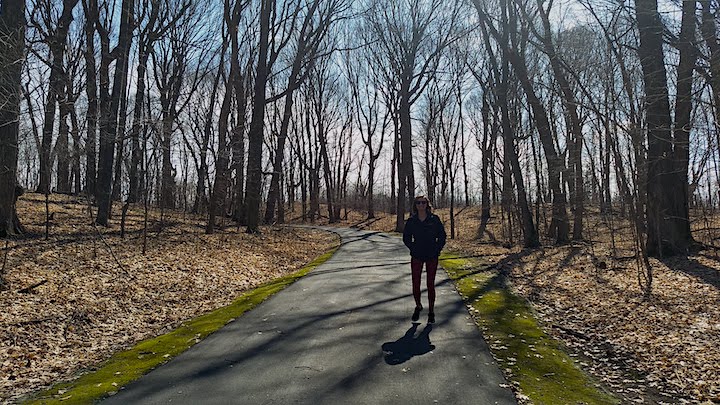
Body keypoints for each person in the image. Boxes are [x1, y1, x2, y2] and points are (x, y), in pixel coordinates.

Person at [402, 195, 446, 324]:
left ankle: (431, 311)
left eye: (423, 203)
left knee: (430, 284)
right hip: (417, 255)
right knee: (416, 283)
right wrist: (413, 248)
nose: (421, 205)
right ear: (415, 205)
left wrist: (437, 250)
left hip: (432, 255)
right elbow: (406, 237)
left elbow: (442, 236)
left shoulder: (434, 219)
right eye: (418, 203)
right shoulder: (411, 221)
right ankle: (418, 306)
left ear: (427, 205)